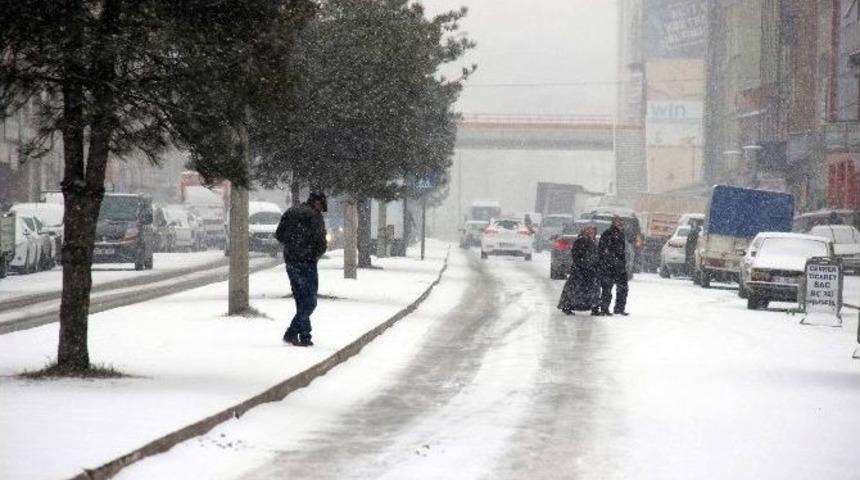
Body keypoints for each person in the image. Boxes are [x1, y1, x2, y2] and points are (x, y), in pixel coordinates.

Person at [275, 192, 328, 347]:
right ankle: (292, 332)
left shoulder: (291, 211)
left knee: (301, 299)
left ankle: (305, 335)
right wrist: (314, 254)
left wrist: (292, 245)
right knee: (310, 302)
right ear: (318, 203)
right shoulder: (315, 216)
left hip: (291, 261)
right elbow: (321, 242)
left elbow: (279, 234)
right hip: (308, 262)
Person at [557, 226, 601, 316]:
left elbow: (596, 255)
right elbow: (576, 255)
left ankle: (594, 307)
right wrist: (585, 264)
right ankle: (567, 307)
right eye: (588, 231)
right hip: (580, 271)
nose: (590, 233)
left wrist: (596, 264)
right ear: (584, 232)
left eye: (592, 231)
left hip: (591, 271)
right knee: (575, 289)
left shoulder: (594, 242)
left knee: (593, 290)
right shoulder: (580, 241)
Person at [598, 216, 629, 316]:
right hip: (609, 266)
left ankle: (619, 308)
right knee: (607, 288)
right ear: (613, 223)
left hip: (619, 266)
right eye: (618, 222)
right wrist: (609, 260)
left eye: (621, 222)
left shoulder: (621, 234)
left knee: (623, 288)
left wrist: (622, 263)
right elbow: (603, 250)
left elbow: (622, 251)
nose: (620, 224)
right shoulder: (608, 234)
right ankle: (604, 308)